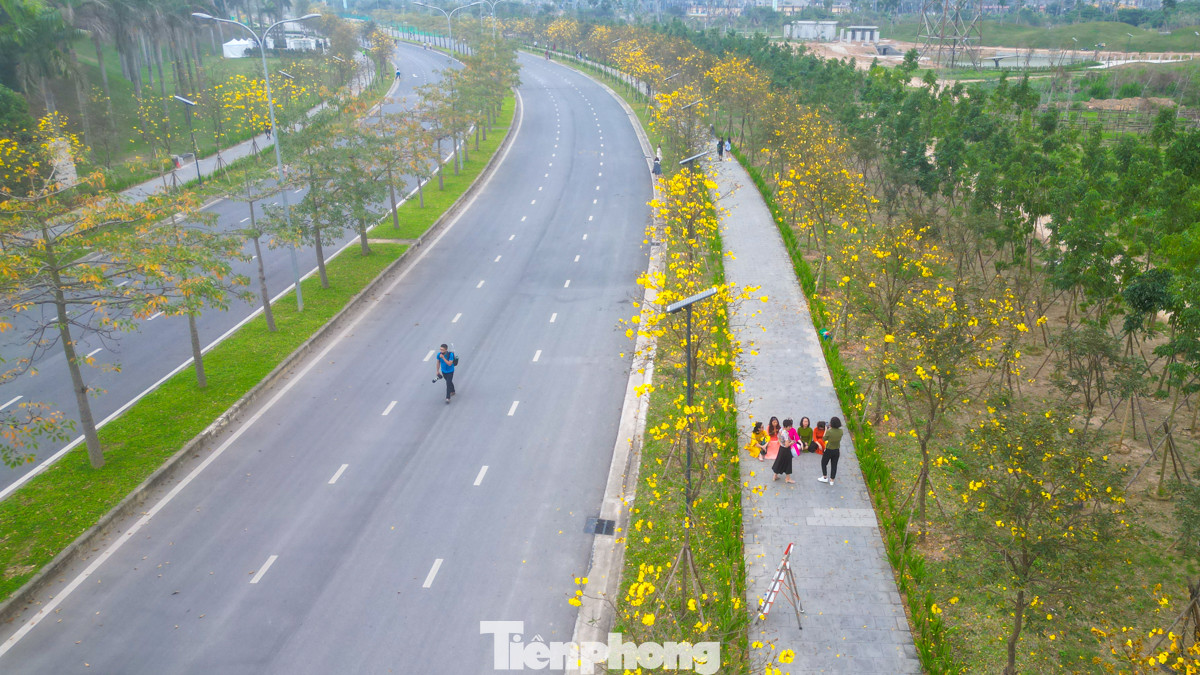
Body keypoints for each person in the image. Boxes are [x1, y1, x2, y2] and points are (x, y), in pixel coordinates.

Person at [819, 417, 845, 485]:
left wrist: (825, 430)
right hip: (836, 450)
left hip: (828, 450)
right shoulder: (841, 431)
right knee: (834, 465)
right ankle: (832, 480)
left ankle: (825, 477)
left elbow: (824, 439)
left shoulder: (829, 431)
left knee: (824, 463)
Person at [771, 418, 797, 483]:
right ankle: (787, 478)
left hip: (781, 448)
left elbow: (778, 437)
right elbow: (787, 445)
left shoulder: (781, 429)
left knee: (779, 461)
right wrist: (792, 442)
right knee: (788, 463)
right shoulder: (785, 433)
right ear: (786, 426)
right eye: (789, 426)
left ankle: (775, 475)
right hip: (786, 450)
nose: (790, 428)